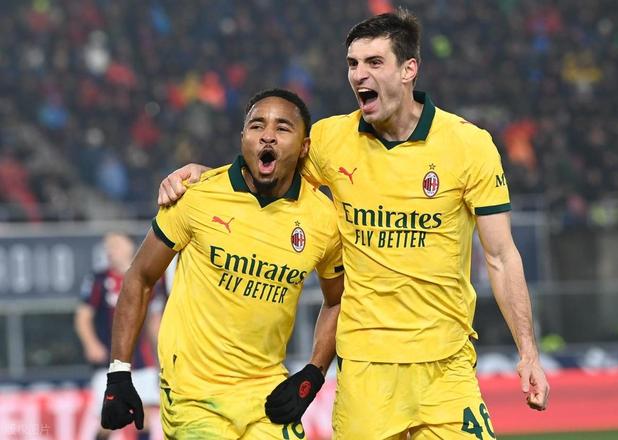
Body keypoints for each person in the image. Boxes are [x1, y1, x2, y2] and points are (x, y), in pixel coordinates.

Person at [158, 9, 550, 440]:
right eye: (352, 64)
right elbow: (264, 169)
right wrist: (206, 173)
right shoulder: (330, 140)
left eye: (374, 62)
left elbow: (501, 256)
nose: (359, 74)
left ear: (409, 69)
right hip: (366, 369)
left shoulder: (469, 146)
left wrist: (528, 352)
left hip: (446, 366)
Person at [101, 88, 344, 439]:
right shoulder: (196, 196)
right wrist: (119, 372)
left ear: (304, 147)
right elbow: (140, 277)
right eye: (257, 126)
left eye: (282, 128)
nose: (268, 135)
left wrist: (313, 373)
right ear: (243, 137)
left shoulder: (323, 219)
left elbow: (337, 300)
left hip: (267, 392)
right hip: (194, 394)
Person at [75, 232, 164, 440]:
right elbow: (83, 317)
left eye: (115, 245)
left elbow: (154, 321)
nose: (110, 250)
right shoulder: (98, 280)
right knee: (107, 420)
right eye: (108, 246)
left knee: (143, 417)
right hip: (110, 361)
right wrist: (91, 344)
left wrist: (160, 354)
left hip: (141, 361)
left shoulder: (148, 278)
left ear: (130, 247)